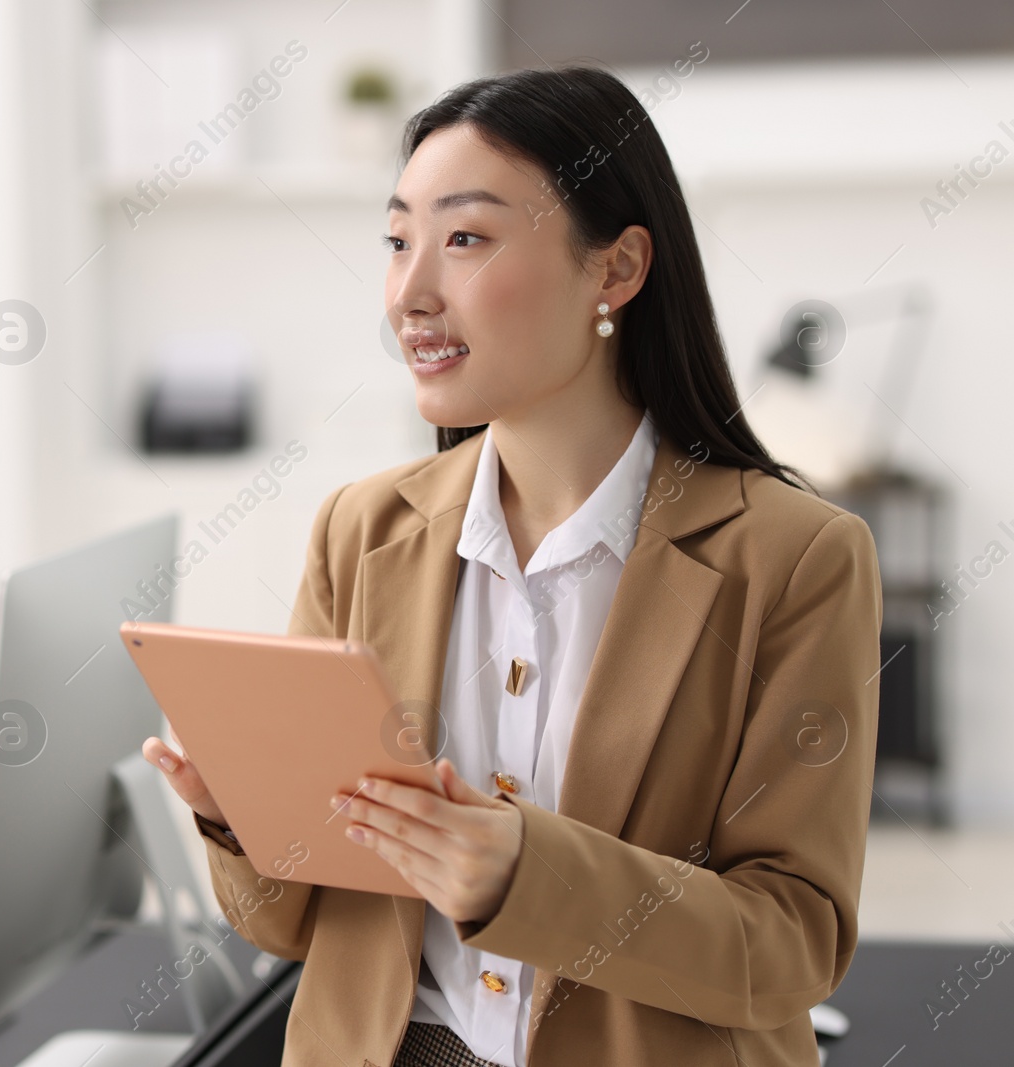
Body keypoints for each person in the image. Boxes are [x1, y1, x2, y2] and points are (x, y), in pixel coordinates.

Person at [142, 65, 881, 1067]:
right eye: (398, 242)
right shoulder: (360, 531)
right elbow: (297, 924)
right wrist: (237, 813)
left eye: (464, 238)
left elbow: (793, 942)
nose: (410, 292)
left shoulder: (796, 559)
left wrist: (523, 873)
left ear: (614, 270)